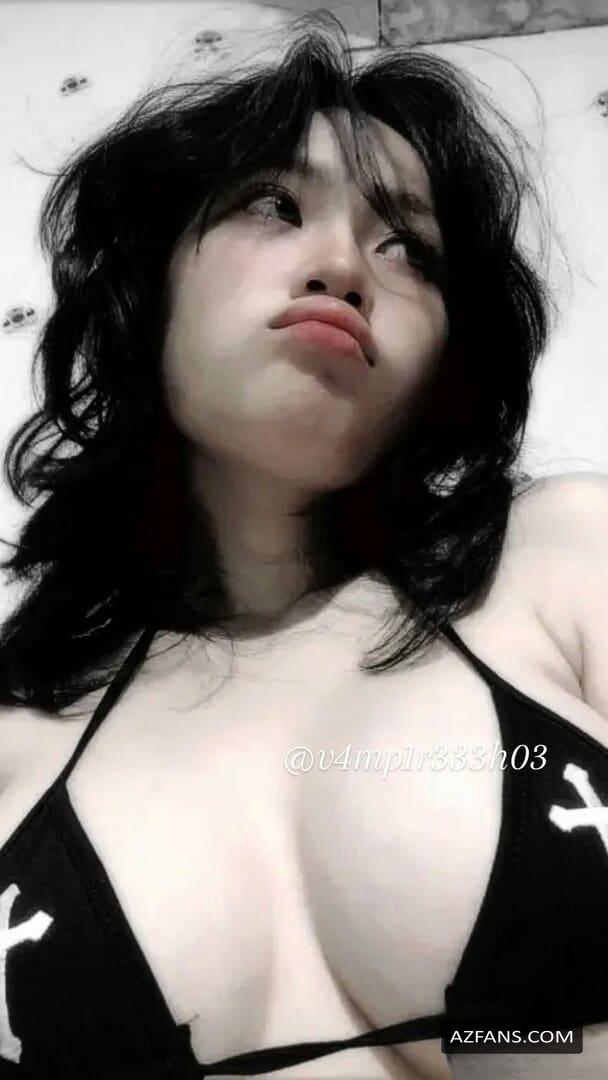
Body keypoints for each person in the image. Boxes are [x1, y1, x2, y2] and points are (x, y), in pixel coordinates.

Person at [0, 12, 606, 1080]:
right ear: (148, 282)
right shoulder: (19, 735)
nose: (342, 265)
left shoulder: (564, 559)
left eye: (407, 247)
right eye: (272, 205)